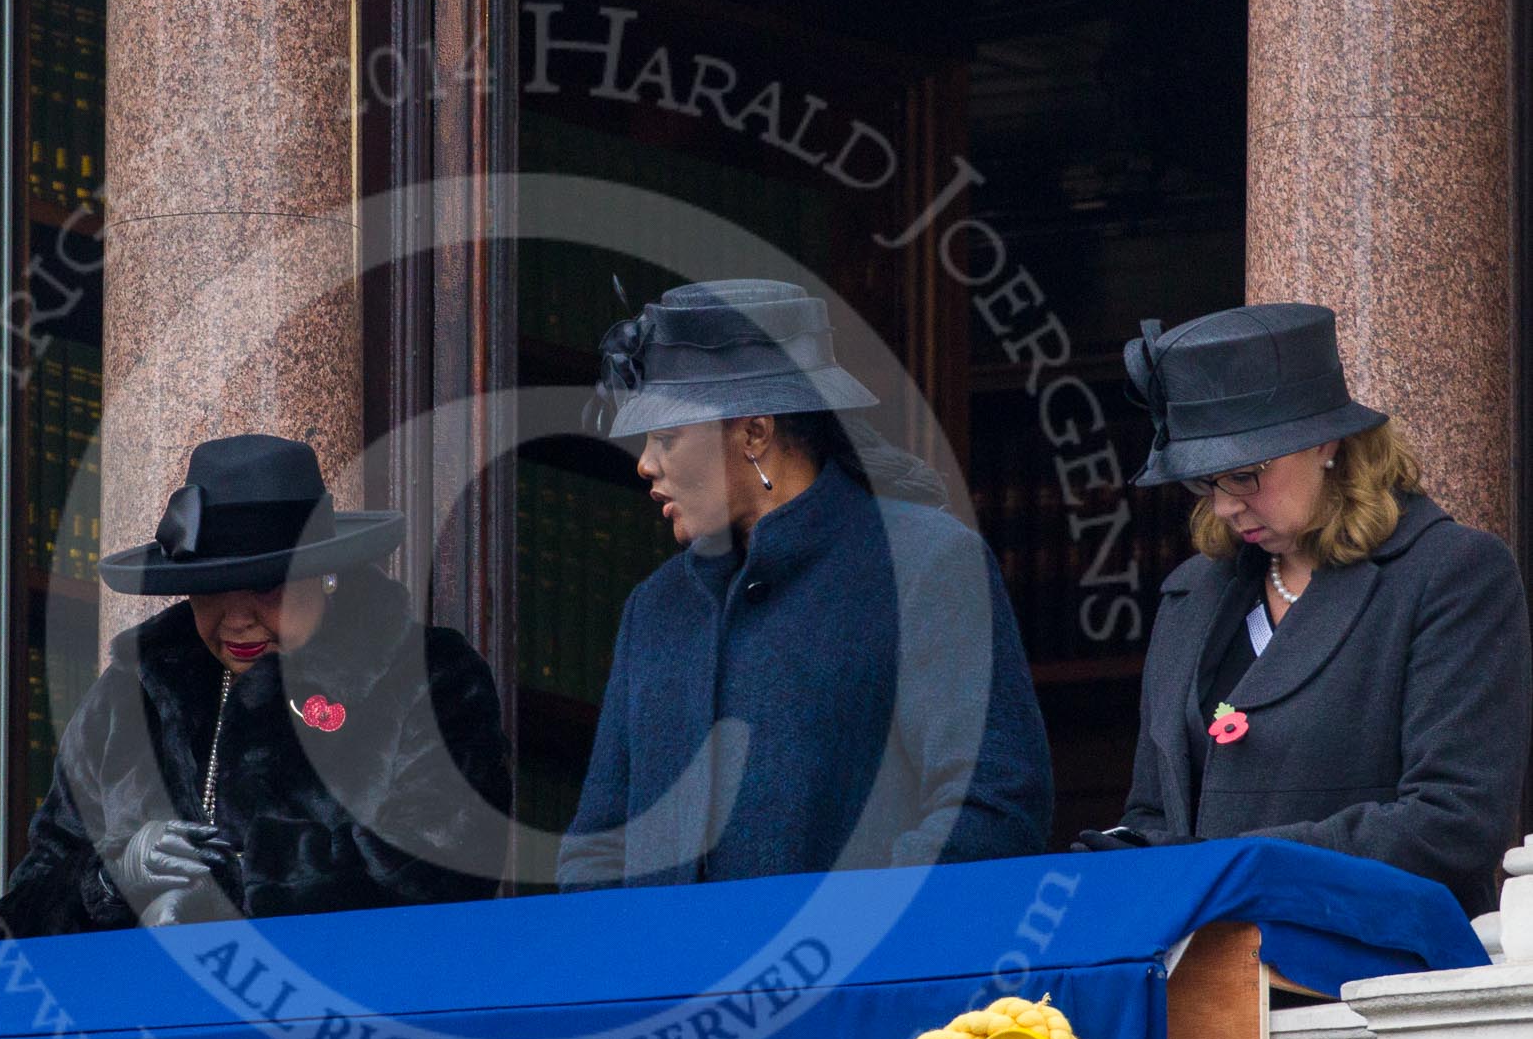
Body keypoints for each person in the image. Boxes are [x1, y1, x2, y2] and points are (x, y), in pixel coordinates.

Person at [558, 280, 1054, 890]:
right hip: (668, 984)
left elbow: (992, 807)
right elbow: (594, 853)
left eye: (665, 438)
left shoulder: (927, 566)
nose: (645, 464)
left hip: (867, 979)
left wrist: (843, 947)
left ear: (754, 433)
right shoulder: (654, 608)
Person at [1077, 302, 1531, 918]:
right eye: (1205, 482)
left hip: (1373, 982)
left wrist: (1239, 868)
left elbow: (1453, 822)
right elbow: (1156, 813)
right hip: (1207, 981)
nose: (1225, 506)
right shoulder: (1191, 596)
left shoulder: (1450, 573)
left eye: (1243, 474)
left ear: (1326, 443)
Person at [0, 434, 511, 935]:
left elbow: (447, 864)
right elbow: (28, 902)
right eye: (210, 590)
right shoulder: (130, 692)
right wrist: (112, 880)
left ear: (324, 572)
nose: (236, 619)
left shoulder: (425, 673)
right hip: (144, 1011)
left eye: (267, 586)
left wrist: (233, 880)